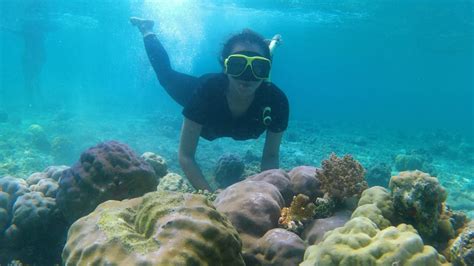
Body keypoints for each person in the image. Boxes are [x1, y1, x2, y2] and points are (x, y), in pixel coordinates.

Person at [131, 17, 289, 191]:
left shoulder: (276, 102)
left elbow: (271, 157)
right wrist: (212, 199)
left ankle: (263, 51)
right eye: (237, 65)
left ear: (266, 70)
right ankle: (146, 29)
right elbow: (186, 156)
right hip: (204, 93)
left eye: (259, 67)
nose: (247, 76)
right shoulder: (205, 92)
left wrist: (269, 195)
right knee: (165, 75)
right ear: (225, 66)